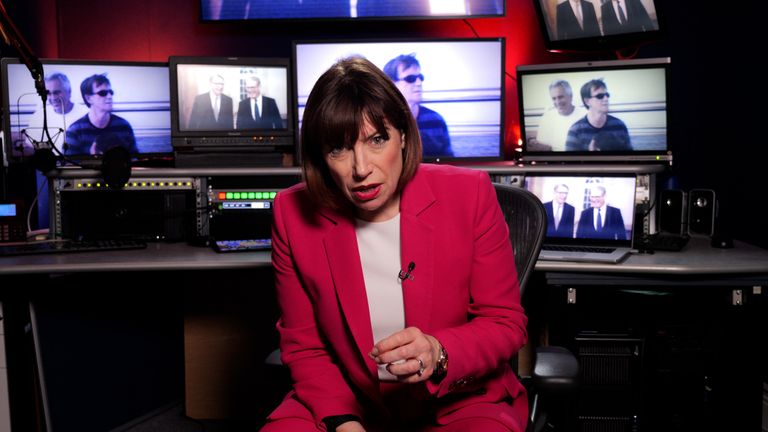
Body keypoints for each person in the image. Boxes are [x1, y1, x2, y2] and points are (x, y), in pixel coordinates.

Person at [261, 57, 528, 432]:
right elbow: (306, 347)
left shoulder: (470, 193)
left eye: (376, 140)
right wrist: (343, 422)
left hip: (459, 399)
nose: (361, 168)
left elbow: (504, 323)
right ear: (321, 157)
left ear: (403, 134)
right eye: (338, 149)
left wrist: (438, 351)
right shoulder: (292, 213)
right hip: (347, 396)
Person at [383, 54, 453, 158]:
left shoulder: (436, 120)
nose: (419, 83)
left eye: (420, 77)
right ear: (392, 84)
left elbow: (449, 161)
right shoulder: (379, 122)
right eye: (410, 78)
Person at [65, 74, 137, 156]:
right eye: (102, 93)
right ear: (88, 98)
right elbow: (69, 162)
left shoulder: (124, 126)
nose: (109, 96)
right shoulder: (75, 131)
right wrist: (94, 159)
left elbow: (134, 158)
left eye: (111, 92)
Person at [24, 72, 89, 155]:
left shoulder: (86, 113)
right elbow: (31, 147)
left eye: (57, 92)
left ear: (69, 91)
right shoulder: (38, 116)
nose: (53, 98)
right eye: (48, 93)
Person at [565, 78, 631, 152]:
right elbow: (571, 159)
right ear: (587, 101)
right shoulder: (576, 131)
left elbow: (630, 157)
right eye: (600, 96)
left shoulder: (619, 126)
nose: (606, 99)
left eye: (607, 95)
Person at [529, 80, 587, 152]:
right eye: (554, 98)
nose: (558, 102)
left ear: (571, 96)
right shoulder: (547, 118)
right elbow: (543, 148)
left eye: (561, 97)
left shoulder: (585, 114)